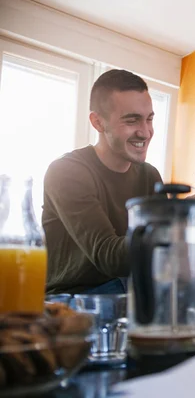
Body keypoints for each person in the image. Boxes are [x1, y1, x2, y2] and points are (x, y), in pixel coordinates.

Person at [43, 69, 162, 294]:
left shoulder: (150, 176)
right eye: (132, 120)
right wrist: (178, 219)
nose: (146, 132)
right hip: (76, 298)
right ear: (97, 122)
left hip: (135, 289)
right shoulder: (66, 172)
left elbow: (164, 257)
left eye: (149, 119)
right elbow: (111, 259)